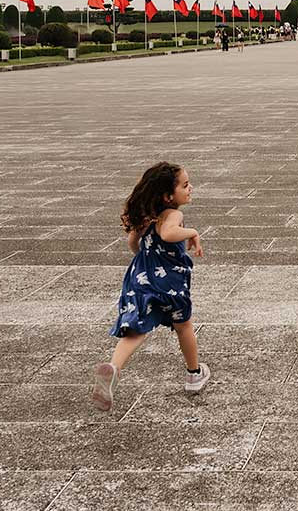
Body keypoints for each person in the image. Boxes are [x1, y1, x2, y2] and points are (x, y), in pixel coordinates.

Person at [90, 161, 207, 411]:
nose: (190, 188)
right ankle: (194, 374)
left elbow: (133, 244)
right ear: (168, 196)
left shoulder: (144, 218)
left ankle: (114, 368)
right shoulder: (173, 214)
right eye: (185, 185)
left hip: (140, 277)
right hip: (169, 281)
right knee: (183, 324)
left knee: (136, 329)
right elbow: (168, 234)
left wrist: (146, 255)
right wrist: (192, 232)